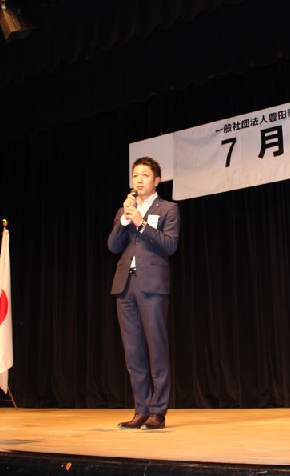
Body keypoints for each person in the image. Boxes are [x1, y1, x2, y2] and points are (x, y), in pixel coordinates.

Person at [107, 156, 180, 430]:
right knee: (133, 351)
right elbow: (113, 246)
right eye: (135, 175)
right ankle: (141, 409)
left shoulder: (169, 208)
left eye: (144, 175)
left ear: (156, 180)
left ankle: (158, 411)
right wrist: (125, 221)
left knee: (156, 348)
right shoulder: (124, 210)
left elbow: (170, 245)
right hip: (125, 286)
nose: (138, 180)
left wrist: (141, 224)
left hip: (152, 286)